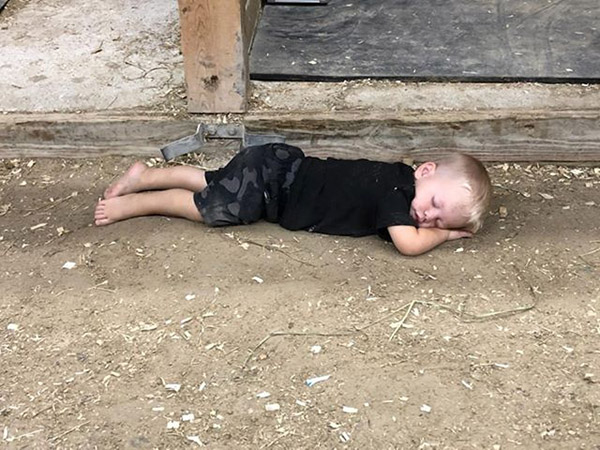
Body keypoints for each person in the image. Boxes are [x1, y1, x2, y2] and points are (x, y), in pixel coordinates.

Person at [95, 143, 492, 256]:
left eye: (439, 222)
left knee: (213, 180)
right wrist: (446, 237)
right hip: (271, 187)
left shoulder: (395, 182)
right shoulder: (397, 192)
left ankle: (143, 177)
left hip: (278, 163)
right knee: (213, 207)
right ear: (424, 171)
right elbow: (408, 245)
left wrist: (443, 225)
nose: (427, 217)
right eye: (436, 205)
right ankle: (137, 203)